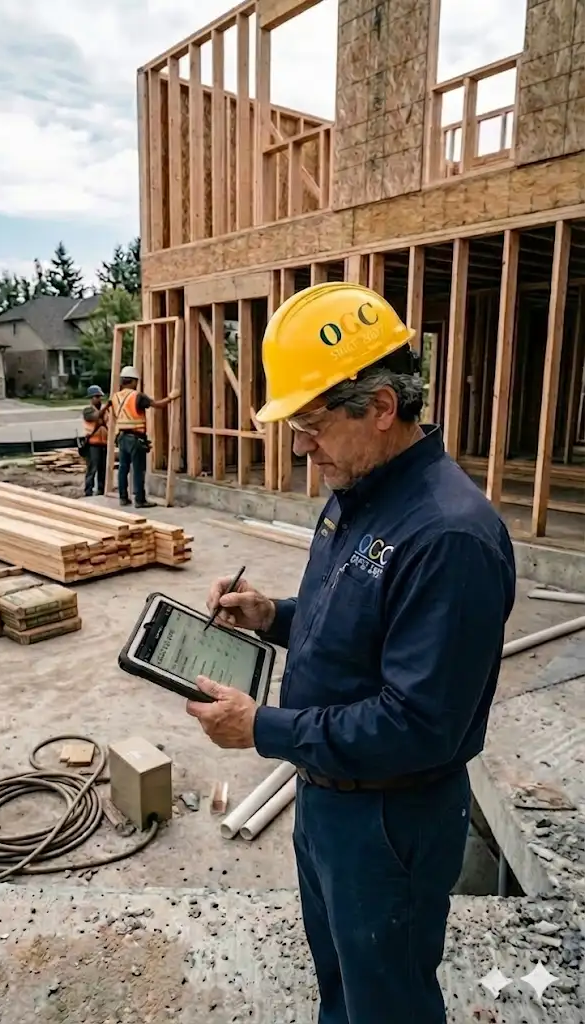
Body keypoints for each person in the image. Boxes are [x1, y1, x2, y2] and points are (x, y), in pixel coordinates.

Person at [186, 282, 516, 1024]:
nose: (301, 447)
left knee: (387, 1000)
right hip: (330, 796)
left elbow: (416, 724)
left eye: (310, 423)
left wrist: (261, 728)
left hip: (391, 819)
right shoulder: (357, 489)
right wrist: (272, 616)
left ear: (379, 409)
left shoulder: (447, 537)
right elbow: (354, 624)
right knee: (343, 982)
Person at [108, 366, 179, 508]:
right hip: (135, 438)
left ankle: (123, 498)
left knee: (123, 468)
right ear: (134, 381)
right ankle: (140, 500)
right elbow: (158, 405)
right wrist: (171, 397)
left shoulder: (115, 397)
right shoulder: (137, 396)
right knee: (139, 469)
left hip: (121, 437)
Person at [82, 385, 108, 497]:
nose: (99, 399)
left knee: (103, 469)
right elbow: (96, 416)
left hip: (103, 443)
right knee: (92, 468)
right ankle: (88, 490)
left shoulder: (105, 411)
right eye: (97, 397)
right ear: (91, 398)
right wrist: (107, 407)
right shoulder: (88, 411)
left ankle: (101, 489)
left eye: (100, 396)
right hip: (93, 444)